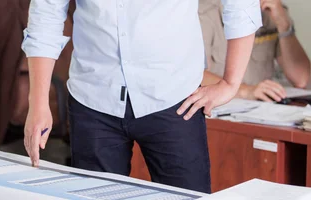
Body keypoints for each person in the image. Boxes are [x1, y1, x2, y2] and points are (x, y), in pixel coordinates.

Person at [21, 0, 262, 193]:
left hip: (175, 99)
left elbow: (241, 5)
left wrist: (231, 83)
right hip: (93, 99)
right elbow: (46, 14)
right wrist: (39, 102)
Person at [200, 0, 310, 102]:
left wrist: (283, 24)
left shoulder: (271, 9)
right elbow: (194, 76)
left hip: (260, 110)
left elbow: (302, 80)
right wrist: (245, 91)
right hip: (218, 107)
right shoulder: (205, 11)